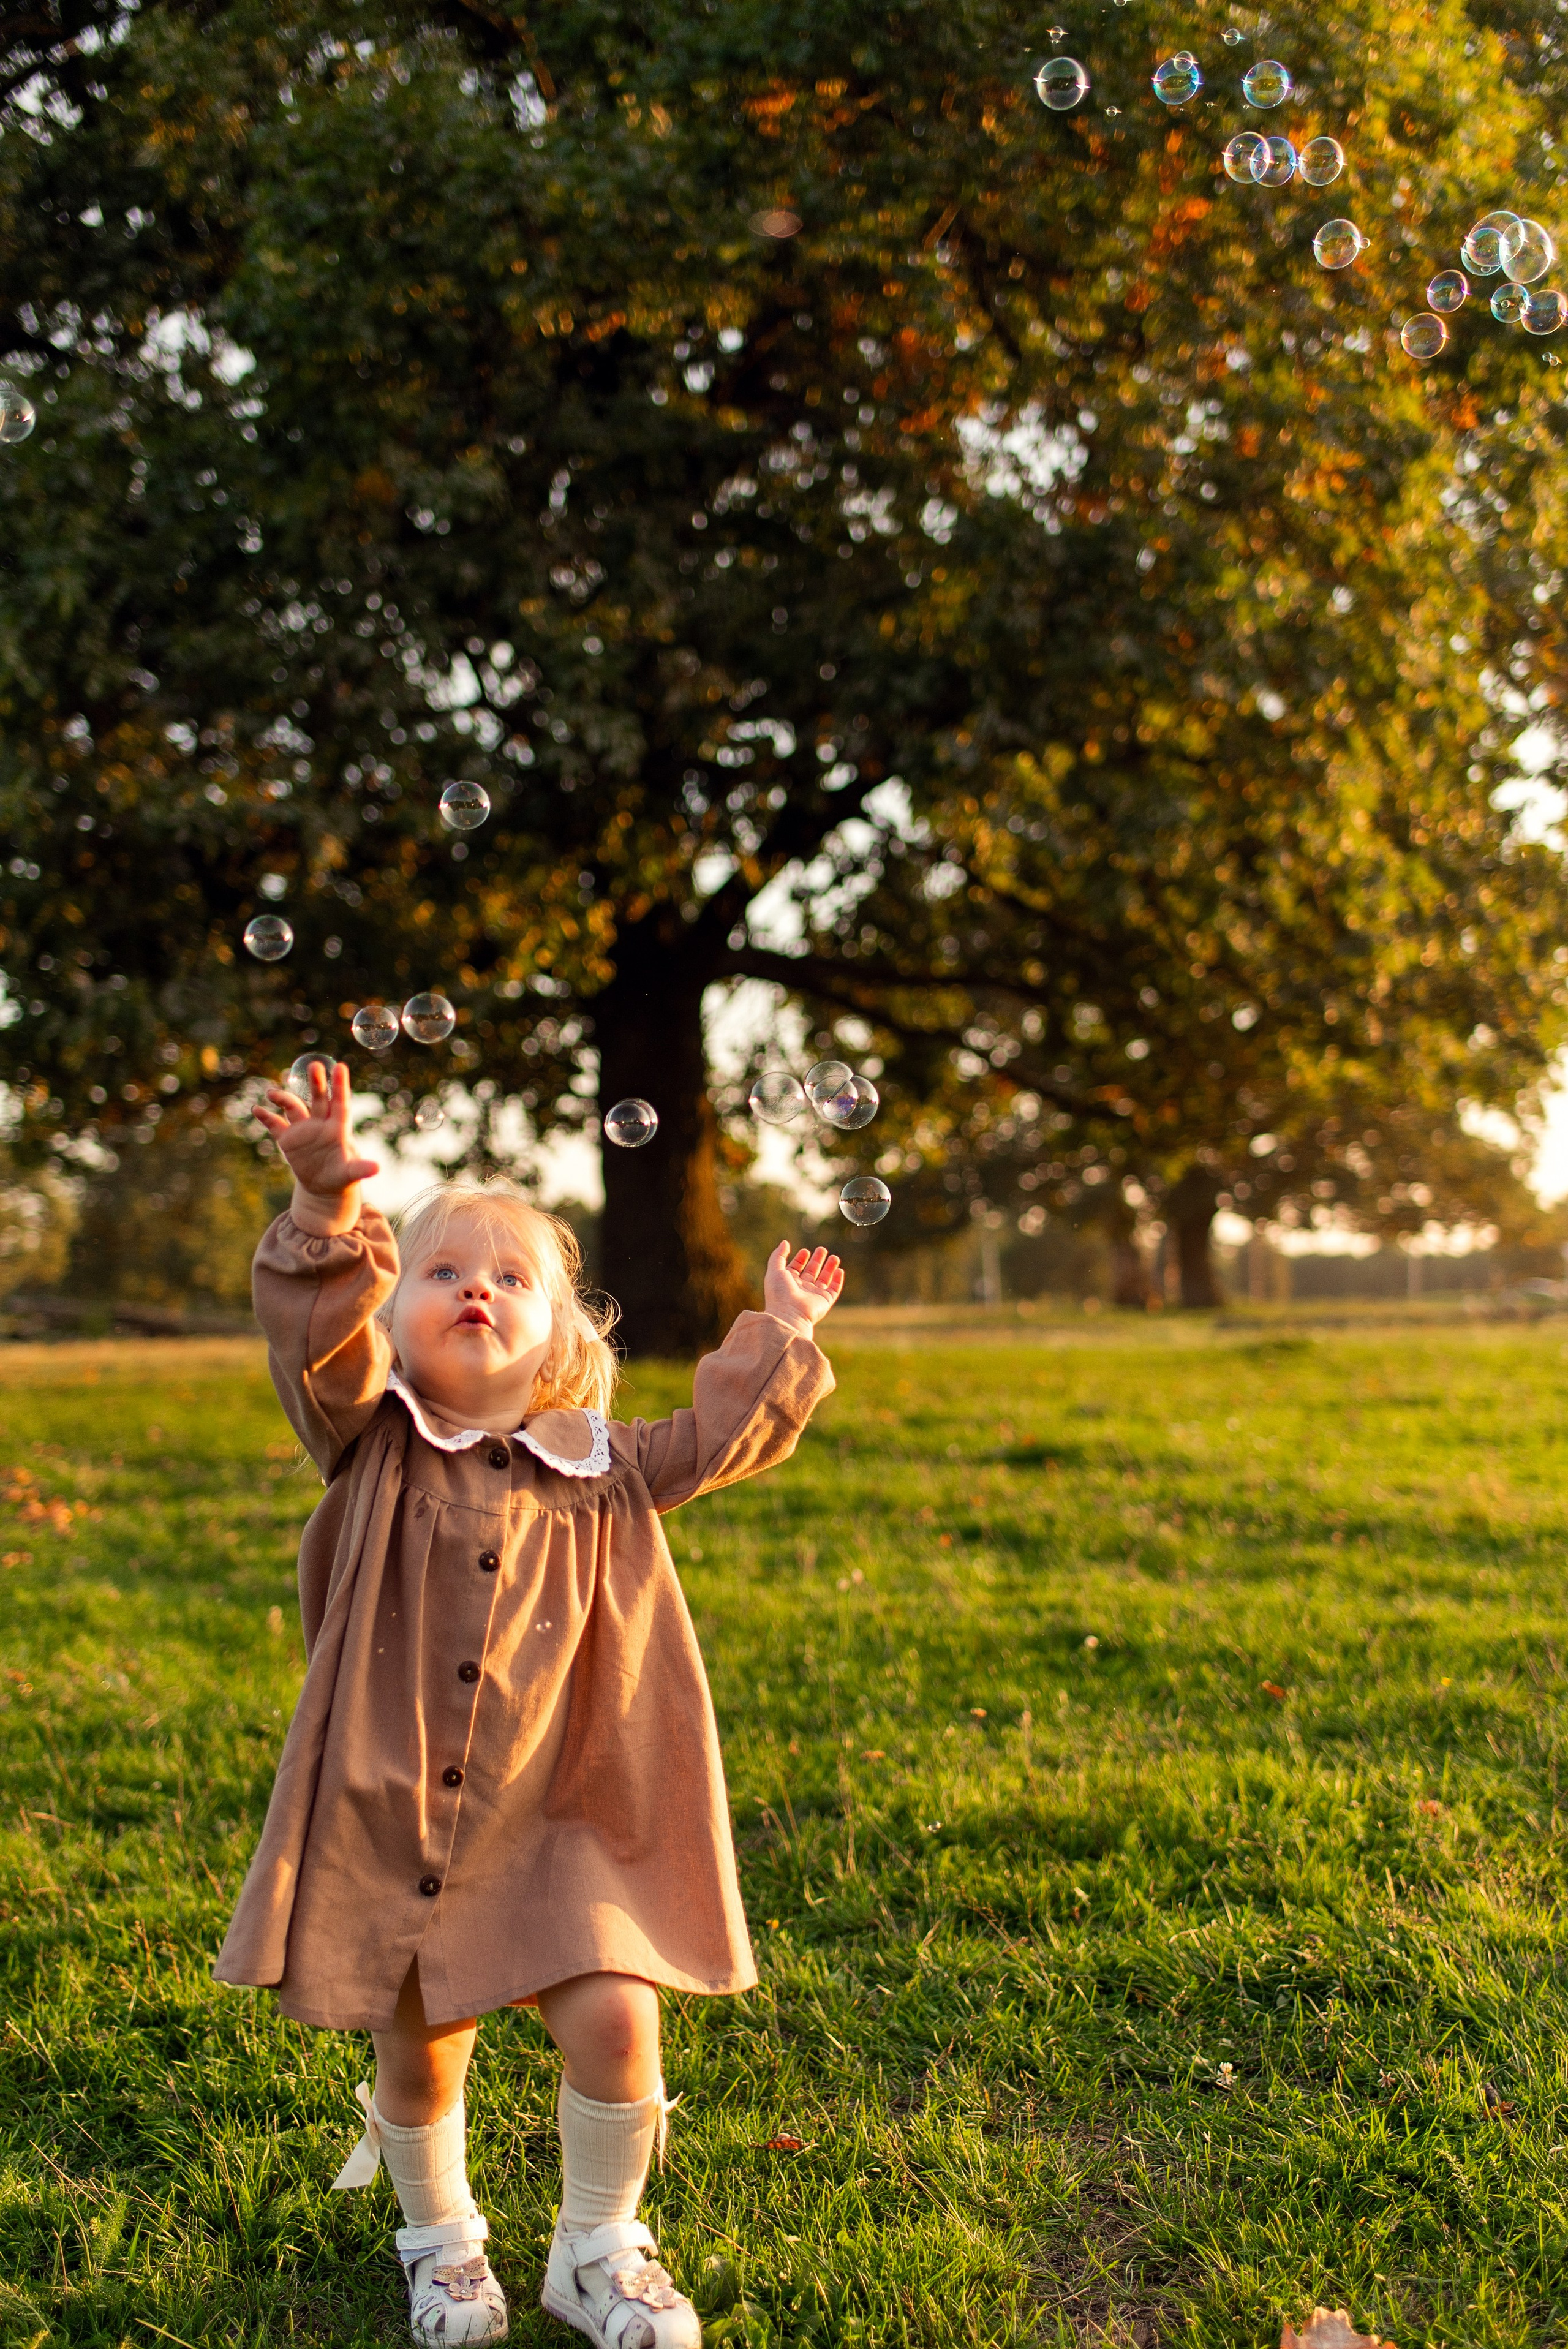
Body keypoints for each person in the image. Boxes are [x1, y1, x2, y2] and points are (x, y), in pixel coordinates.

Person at [216, 1061, 842, 2349]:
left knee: (617, 2015)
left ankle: (597, 2248)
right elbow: (315, 1345)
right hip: (402, 1805)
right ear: (396, 1322)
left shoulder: (607, 1465)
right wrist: (326, 1199)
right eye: (442, 1275)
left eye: (510, 1278)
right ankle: (440, 2248)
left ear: (561, 1332)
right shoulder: (370, 1437)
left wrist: (783, 1329)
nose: (475, 1291)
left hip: (572, 1804)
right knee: (420, 2043)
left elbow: (723, 1436)